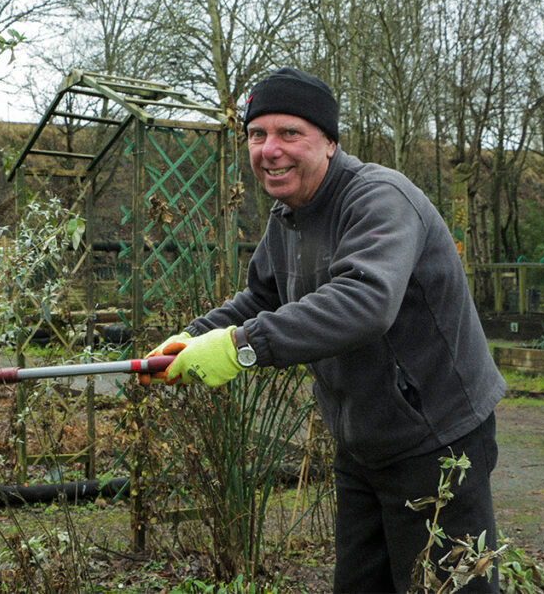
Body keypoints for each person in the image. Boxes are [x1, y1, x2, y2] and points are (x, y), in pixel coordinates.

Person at [148, 68, 505, 593]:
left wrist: (241, 348)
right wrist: (192, 336)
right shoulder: (287, 216)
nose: (270, 149)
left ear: (330, 142)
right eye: (257, 134)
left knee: (446, 588)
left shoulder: (380, 199)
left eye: (289, 133)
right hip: (361, 445)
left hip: (437, 438)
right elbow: (261, 298)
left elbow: (365, 300)